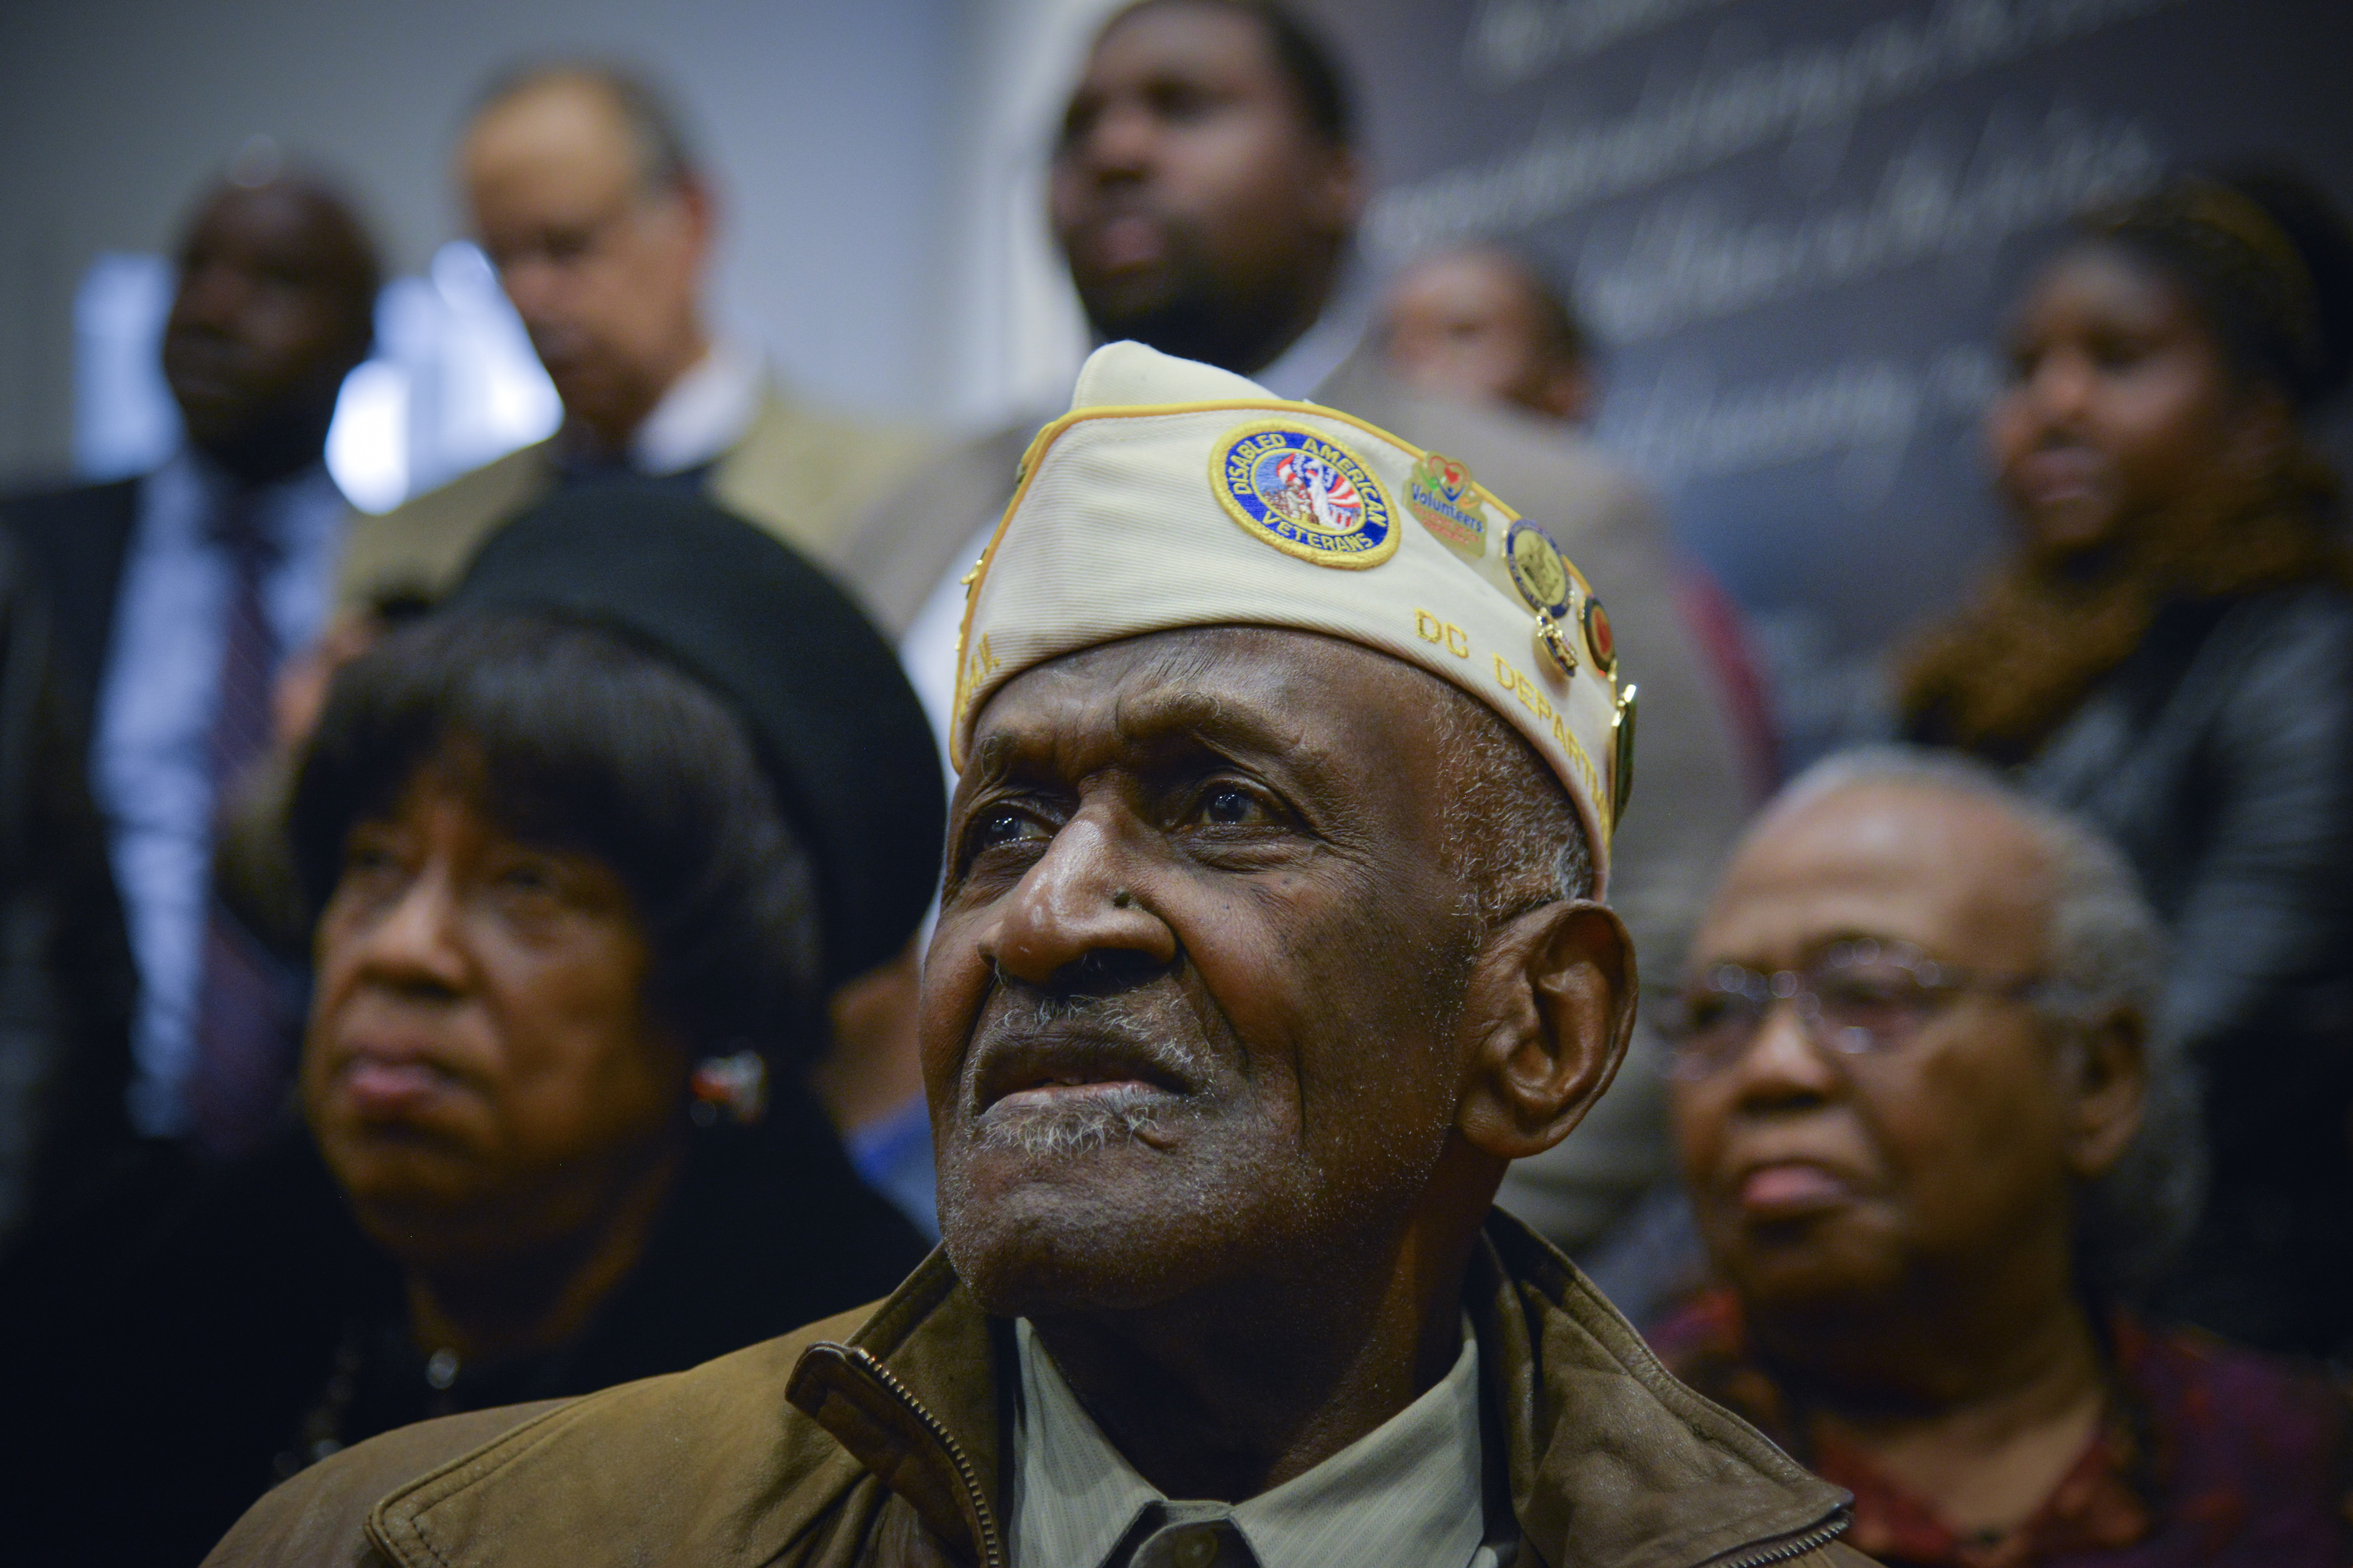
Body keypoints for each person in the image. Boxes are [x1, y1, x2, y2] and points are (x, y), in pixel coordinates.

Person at [208, 340, 1871, 1568]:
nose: (1046, 914)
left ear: (1541, 1027)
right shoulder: (434, 1543)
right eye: (1002, 827)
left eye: (1226, 808)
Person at [843, 0, 1752, 1260]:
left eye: (1183, 106)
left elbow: (1673, 916)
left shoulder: (1529, 500)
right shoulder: (918, 513)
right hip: (891, 1248)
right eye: (1079, 125)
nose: (1116, 149)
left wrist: (1397, 1256)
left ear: (1336, 178)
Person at [1, 489, 941, 1567]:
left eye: (527, 884)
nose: (403, 949)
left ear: (709, 990)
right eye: (375, 864)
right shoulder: (137, 1321)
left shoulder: (856, 1418)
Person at [1649, 746, 2353, 1565]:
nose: (1771, 1068)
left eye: (1869, 994)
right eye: (1714, 1014)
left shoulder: (2299, 1473)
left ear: (2097, 1078)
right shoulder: (1587, 1476)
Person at [1898, 169, 2353, 1357]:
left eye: (2119, 357)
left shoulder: (2303, 652)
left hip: (2227, 1310)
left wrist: (1919, 1143)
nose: (2054, 404)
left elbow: (2237, 1015)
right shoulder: (1967, 682)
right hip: (1989, 1270)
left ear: (2258, 413)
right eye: (2024, 370)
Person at [0, 169, 380, 1168]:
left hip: (329, 1153)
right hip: (64, 1148)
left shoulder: (407, 580)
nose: (213, 310)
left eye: (275, 281)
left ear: (365, 336)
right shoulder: (28, 553)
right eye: (194, 271)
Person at [333, 63, 929, 612]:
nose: (527, 297)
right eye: (499, 260)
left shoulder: (896, 501)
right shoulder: (408, 547)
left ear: (691, 220)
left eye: (567, 247)